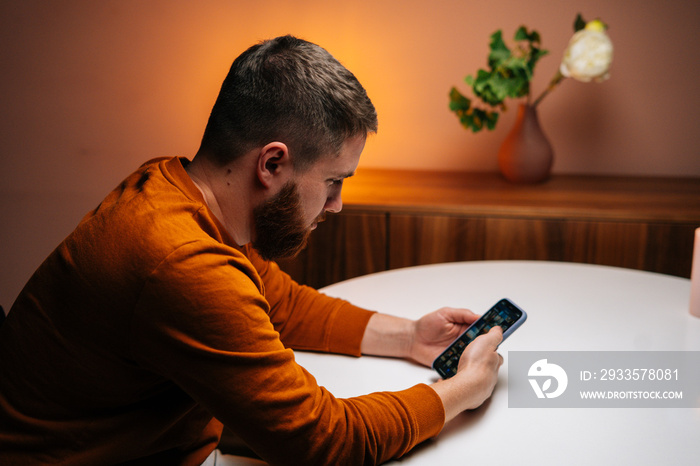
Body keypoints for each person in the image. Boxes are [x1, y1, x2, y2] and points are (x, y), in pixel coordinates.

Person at [0, 35, 503, 465]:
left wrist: (410, 337)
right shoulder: (181, 262)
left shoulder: (172, 188)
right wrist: (460, 390)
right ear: (272, 164)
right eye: (332, 181)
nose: (336, 205)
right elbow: (322, 441)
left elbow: (277, 302)